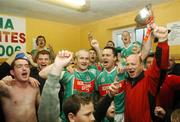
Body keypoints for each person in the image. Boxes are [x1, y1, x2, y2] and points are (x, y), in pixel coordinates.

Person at [109, 25, 169, 122]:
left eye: (133, 64)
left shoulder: (149, 79)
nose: (129, 67)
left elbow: (160, 64)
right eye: (127, 64)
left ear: (142, 65)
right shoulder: (127, 81)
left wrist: (163, 41)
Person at [38, 50, 117, 122]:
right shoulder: (68, 74)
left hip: (87, 117)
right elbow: (42, 74)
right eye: (81, 58)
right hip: (67, 118)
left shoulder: (94, 73)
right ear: (75, 60)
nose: (84, 61)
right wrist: (60, 64)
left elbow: (110, 72)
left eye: (86, 59)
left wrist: (120, 65)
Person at [0, 55, 40, 122]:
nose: (24, 68)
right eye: (19, 66)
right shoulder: (6, 87)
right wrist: (2, 81)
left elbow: (42, 109)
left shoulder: (35, 86)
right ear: (12, 72)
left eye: (27, 66)